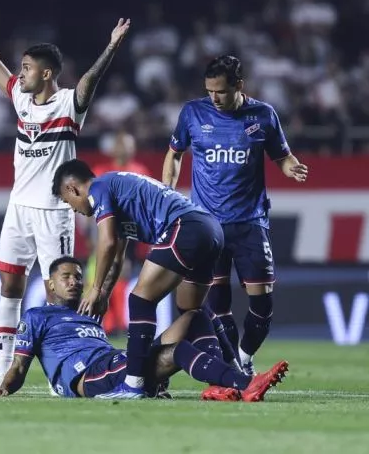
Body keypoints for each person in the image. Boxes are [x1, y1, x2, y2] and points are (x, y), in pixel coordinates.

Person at [0, 0, 131, 388]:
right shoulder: (21, 100)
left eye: (26, 68)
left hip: (54, 213)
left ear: (47, 73)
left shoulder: (69, 105)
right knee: (10, 285)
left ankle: (69, 367)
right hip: (18, 207)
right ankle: (3, 369)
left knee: (63, 294)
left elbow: (90, 80)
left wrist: (110, 47)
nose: (19, 74)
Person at [162, 55, 308, 375]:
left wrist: (290, 167)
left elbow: (282, 156)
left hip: (249, 224)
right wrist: (168, 192)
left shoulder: (263, 115)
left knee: (262, 303)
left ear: (239, 86)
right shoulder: (192, 113)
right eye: (209, 91)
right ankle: (234, 367)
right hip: (207, 225)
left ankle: (244, 354)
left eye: (221, 92)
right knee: (216, 303)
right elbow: (174, 154)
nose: (214, 98)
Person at [0, 256, 288, 401]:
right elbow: (20, 365)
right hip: (90, 376)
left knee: (195, 316)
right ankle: (244, 384)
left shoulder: (89, 313)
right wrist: (3, 387)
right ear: (49, 284)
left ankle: (221, 384)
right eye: (66, 277)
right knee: (178, 351)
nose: (74, 281)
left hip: (115, 362)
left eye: (78, 277)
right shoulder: (36, 316)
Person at [53, 159, 228, 398]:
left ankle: (133, 383)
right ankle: (229, 376)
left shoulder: (99, 188)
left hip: (183, 226)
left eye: (68, 202)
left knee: (140, 300)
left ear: (72, 189)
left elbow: (107, 242)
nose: (73, 209)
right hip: (210, 228)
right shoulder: (118, 192)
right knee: (192, 311)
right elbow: (117, 257)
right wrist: (105, 291)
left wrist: (94, 288)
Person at [82, 131, 151, 334]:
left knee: (121, 273)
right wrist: (87, 233)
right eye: (123, 145)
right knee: (97, 274)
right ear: (114, 149)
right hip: (102, 231)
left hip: (129, 231)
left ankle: (117, 322)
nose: (127, 150)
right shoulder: (100, 171)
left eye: (130, 146)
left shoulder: (140, 171)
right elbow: (89, 205)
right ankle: (99, 320)